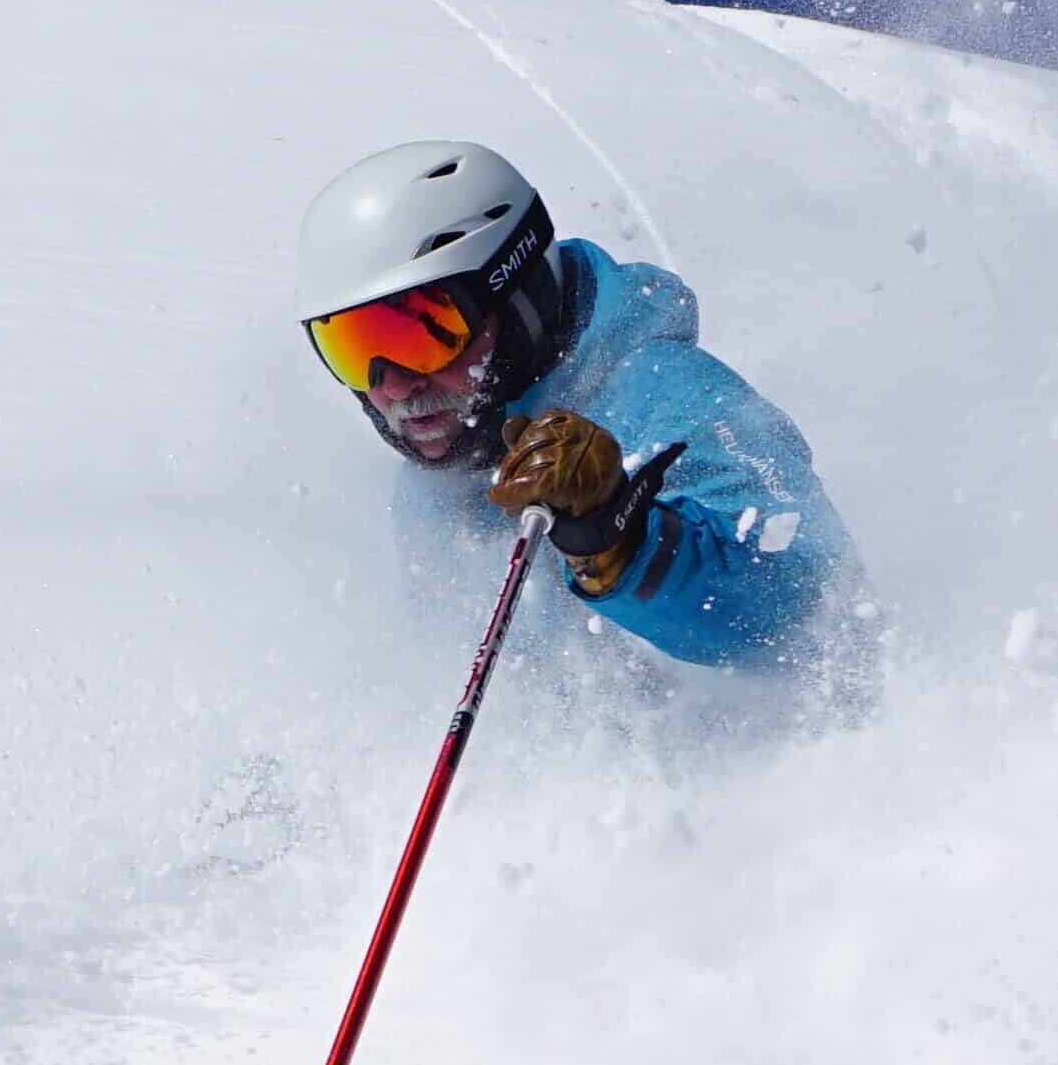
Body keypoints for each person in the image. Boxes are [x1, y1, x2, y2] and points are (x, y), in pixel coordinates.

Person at [297, 140, 875, 717]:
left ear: (519, 292)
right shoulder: (434, 487)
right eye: (352, 350)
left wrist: (621, 538)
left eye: (421, 335)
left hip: (742, 788)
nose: (392, 388)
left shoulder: (670, 396)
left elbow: (823, 614)